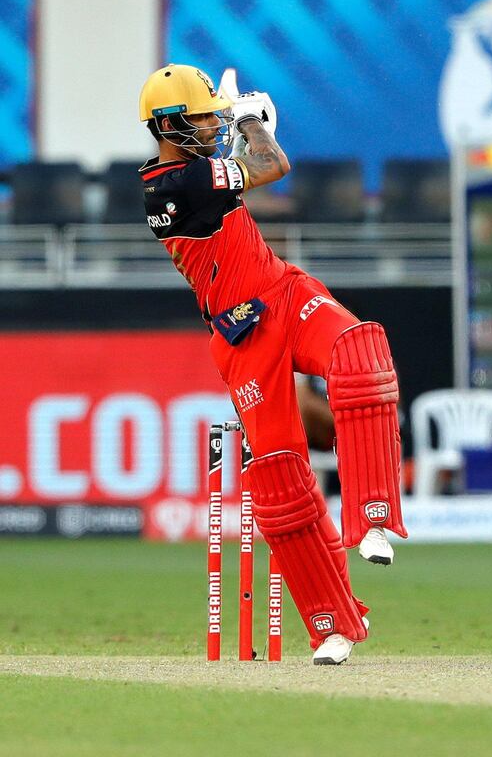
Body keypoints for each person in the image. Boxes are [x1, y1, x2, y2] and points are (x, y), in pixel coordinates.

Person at [138, 64, 406, 665]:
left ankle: (375, 516)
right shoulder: (168, 187)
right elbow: (269, 166)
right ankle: (333, 627)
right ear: (171, 124)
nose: (208, 125)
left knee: (360, 350)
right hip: (242, 334)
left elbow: (251, 164)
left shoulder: (199, 171)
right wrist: (251, 121)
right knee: (281, 481)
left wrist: (244, 124)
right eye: (201, 116)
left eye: (211, 115)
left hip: (285, 293)